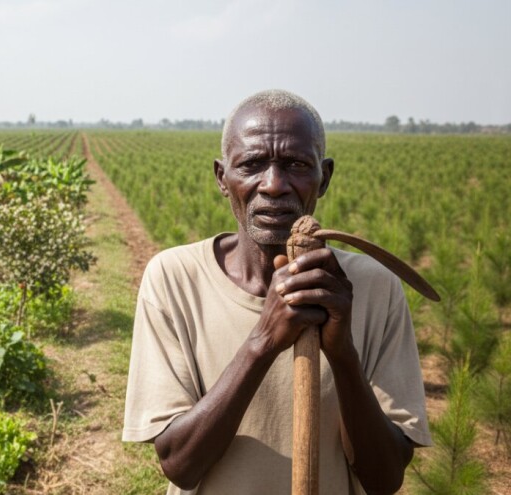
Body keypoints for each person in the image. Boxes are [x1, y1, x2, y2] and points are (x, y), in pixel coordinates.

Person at [122, 89, 431, 494]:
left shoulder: (376, 287)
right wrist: (263, 340)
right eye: (251, 165)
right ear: (222, 178)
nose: (273, 185)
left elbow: (384, 478)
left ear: (324, 177)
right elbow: (180, 464)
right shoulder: (175, 278)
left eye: (296, 165)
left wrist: (342, 353)